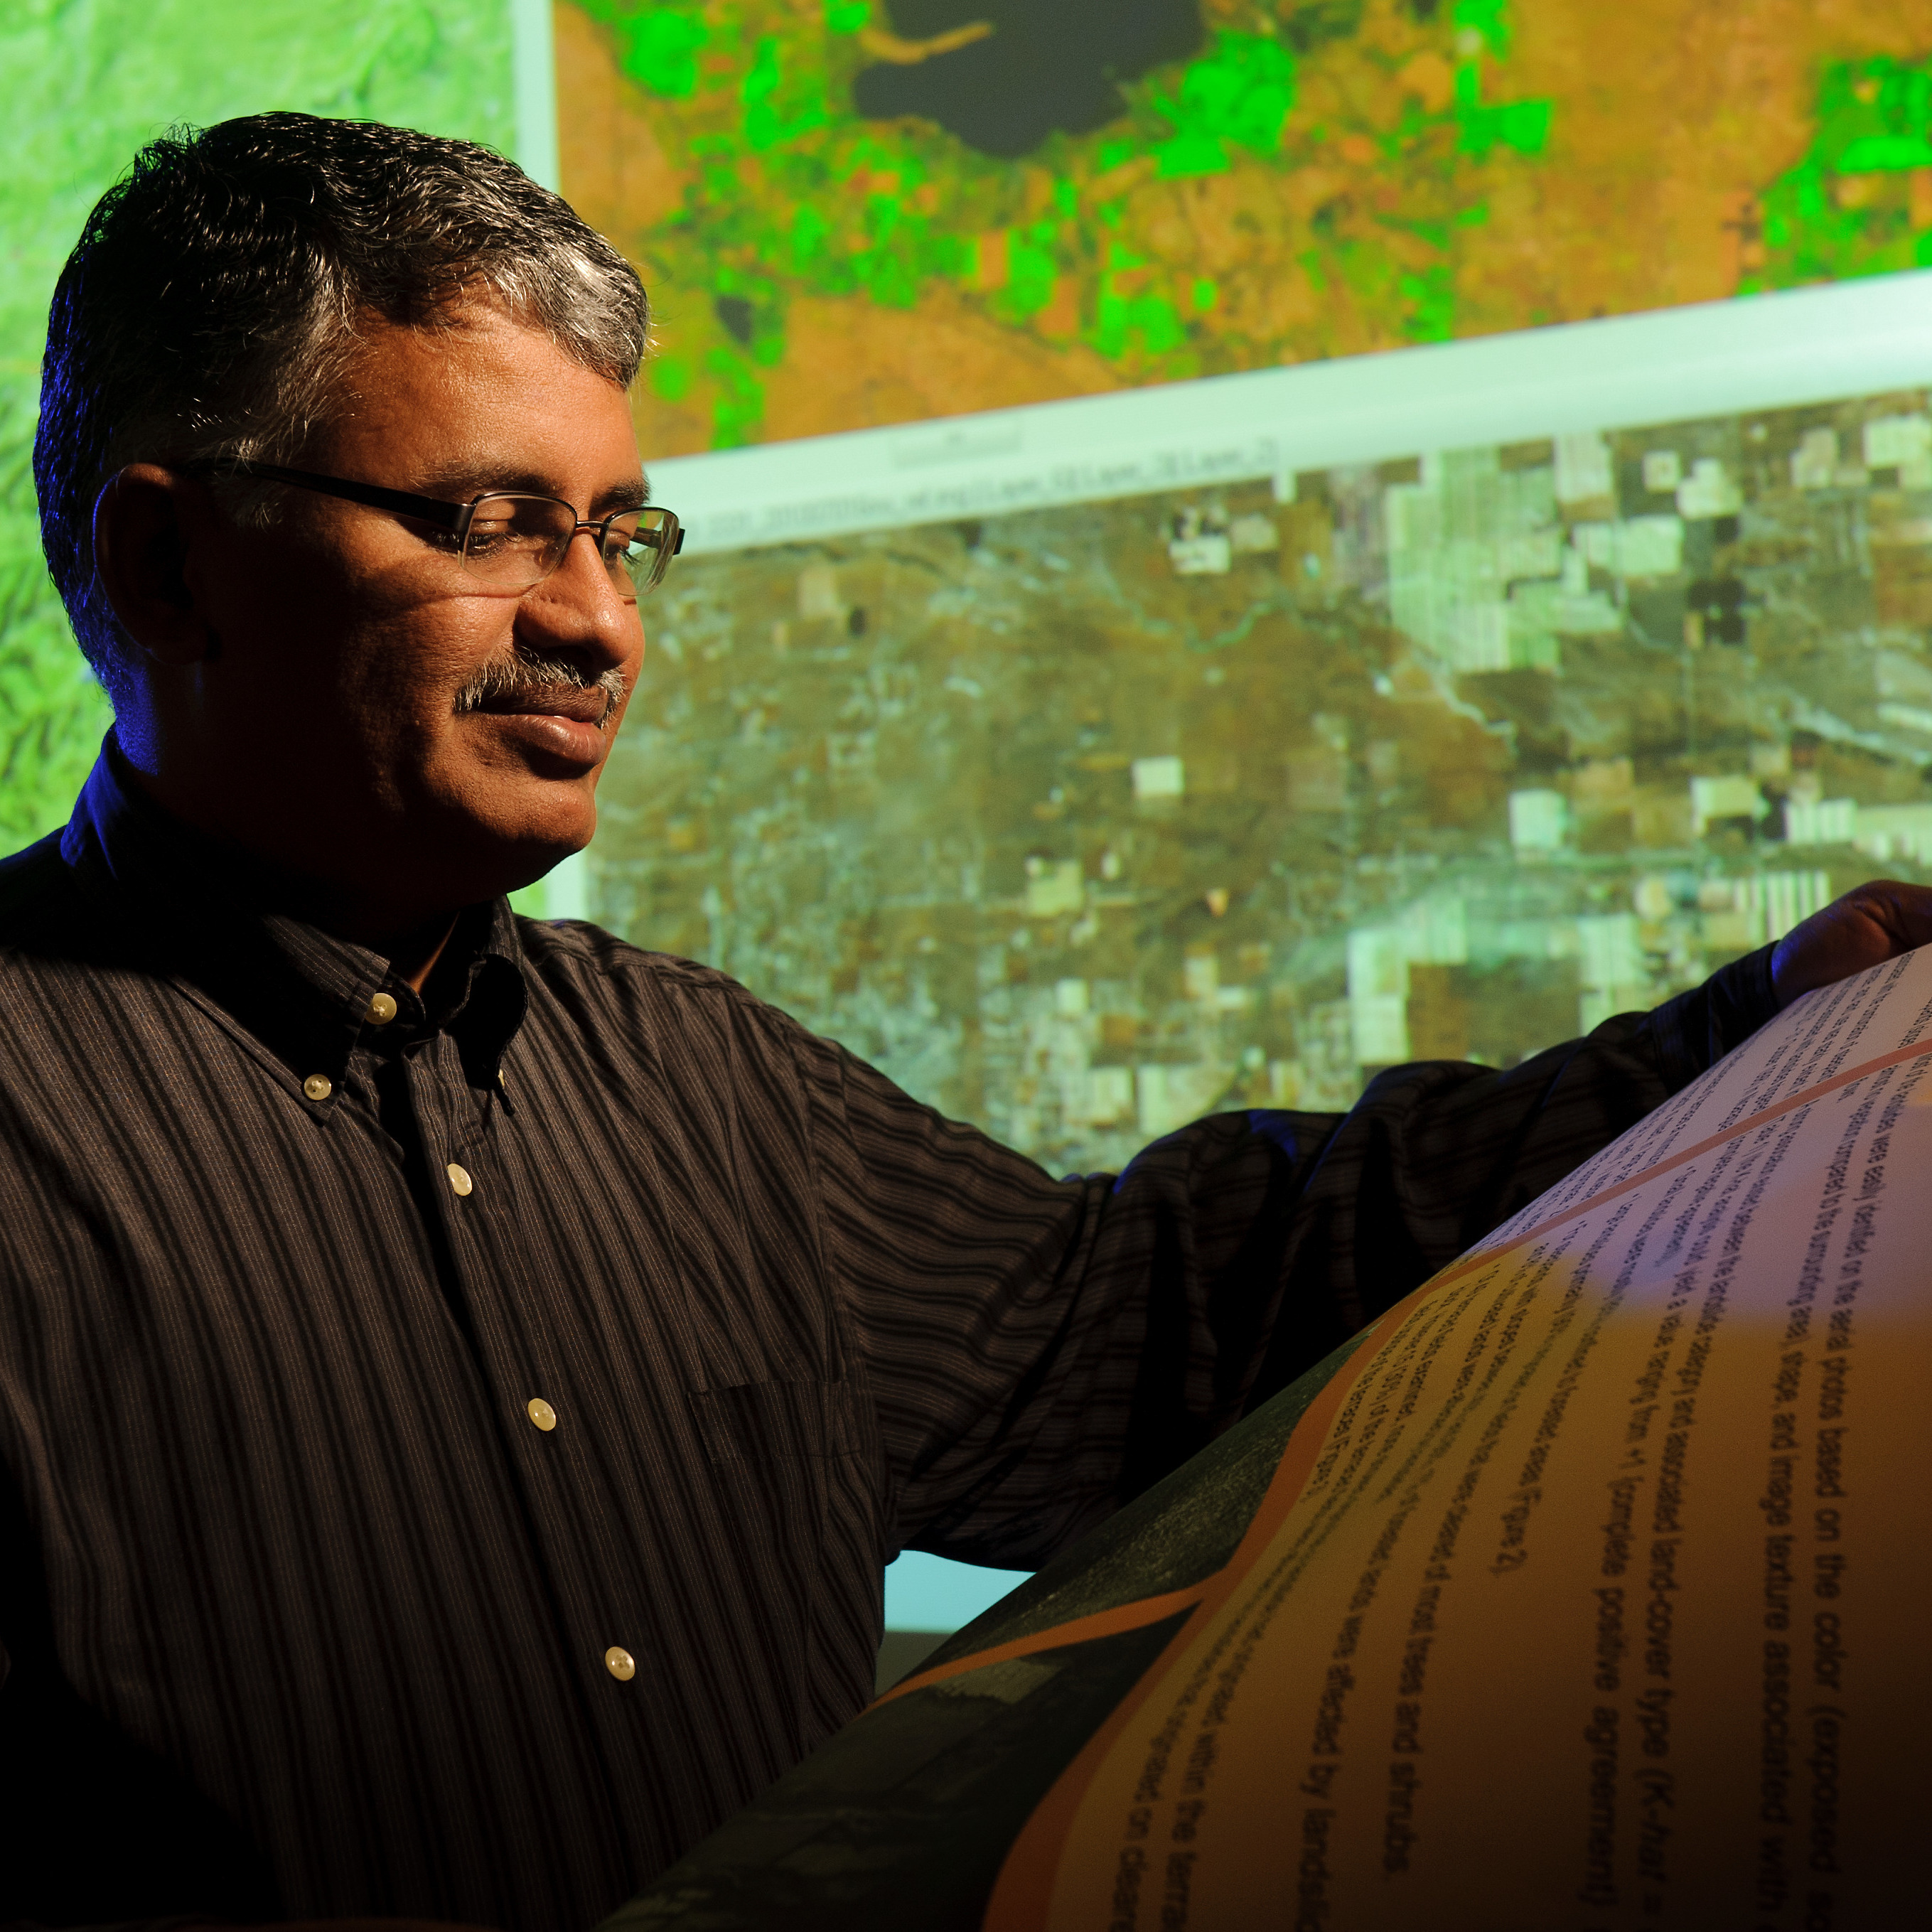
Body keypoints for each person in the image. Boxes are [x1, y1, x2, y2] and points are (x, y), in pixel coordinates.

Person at [4, 112, 1926, 1932]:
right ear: (169, 563)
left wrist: (1760, 1031)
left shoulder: (692, 1078)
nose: (600, 623)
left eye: (622, 533)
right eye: (494, 521)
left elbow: (1160, 1315)